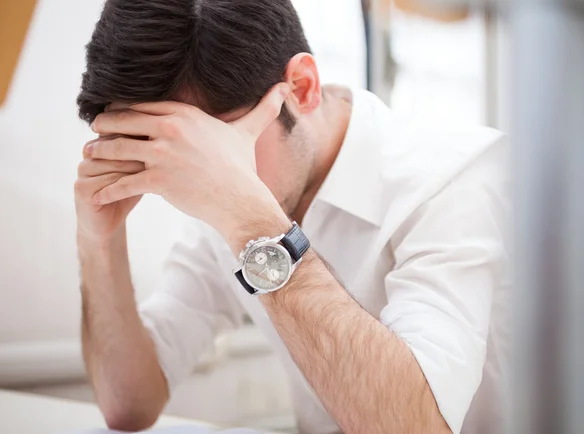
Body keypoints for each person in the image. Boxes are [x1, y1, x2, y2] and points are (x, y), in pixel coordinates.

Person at [74, 1, 509, 433]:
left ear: (301, 87)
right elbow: (129, 405)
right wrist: (99, 239)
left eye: (210, 149)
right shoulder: (216, 190)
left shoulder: (452, 181)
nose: (185, 184)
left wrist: (253, 221)